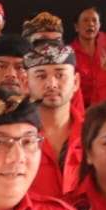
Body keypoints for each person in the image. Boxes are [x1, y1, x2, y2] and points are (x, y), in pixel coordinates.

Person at [23, 41, 84, 200]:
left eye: (60, 75)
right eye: (41, 76)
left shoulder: (94, 134)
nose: (51, 84)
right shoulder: (13, 138)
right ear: (25, 83)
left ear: (76, 82)